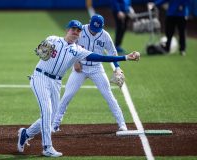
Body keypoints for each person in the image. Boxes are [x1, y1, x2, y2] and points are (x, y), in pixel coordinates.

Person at [17, 19, 140, 157]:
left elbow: (100, 57)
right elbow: (40, 49)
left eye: (78, 30)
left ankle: (25, 133)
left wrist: (126, 58)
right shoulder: (53, 39)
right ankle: (47, 147)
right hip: (40, 77)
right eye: (73, 29)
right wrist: (40, 48)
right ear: (67, 30)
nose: (75, 32)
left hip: (56, 83)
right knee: (47, 111)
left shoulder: (78, 51)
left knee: (51, 117)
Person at [52, 14, 128, 135]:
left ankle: (122, 124)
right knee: (67, 96)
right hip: (80, 69)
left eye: (97, 28)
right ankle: (55, 124)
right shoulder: (79, 30)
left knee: (109, 95)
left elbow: (112, 53)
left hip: (97, 69)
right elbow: (70, 45)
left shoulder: (105, 36)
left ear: (102, 27)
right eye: (93, 27)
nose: (94, 30)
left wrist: (117, 68)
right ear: (89, 22)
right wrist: (75, 62)